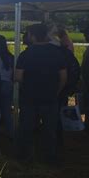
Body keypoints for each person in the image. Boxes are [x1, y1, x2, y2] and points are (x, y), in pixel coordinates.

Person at [15, 23, 67, 165]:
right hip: (50, 97)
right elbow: (63, 77)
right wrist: (56, 91)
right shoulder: (57, 53)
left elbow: (18, 77)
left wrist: (25, 87)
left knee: (27, 127)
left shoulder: (25, 54)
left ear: (32, 36)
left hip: (29, 97)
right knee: (50, 129)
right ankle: (50, 157)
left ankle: (25, 156)